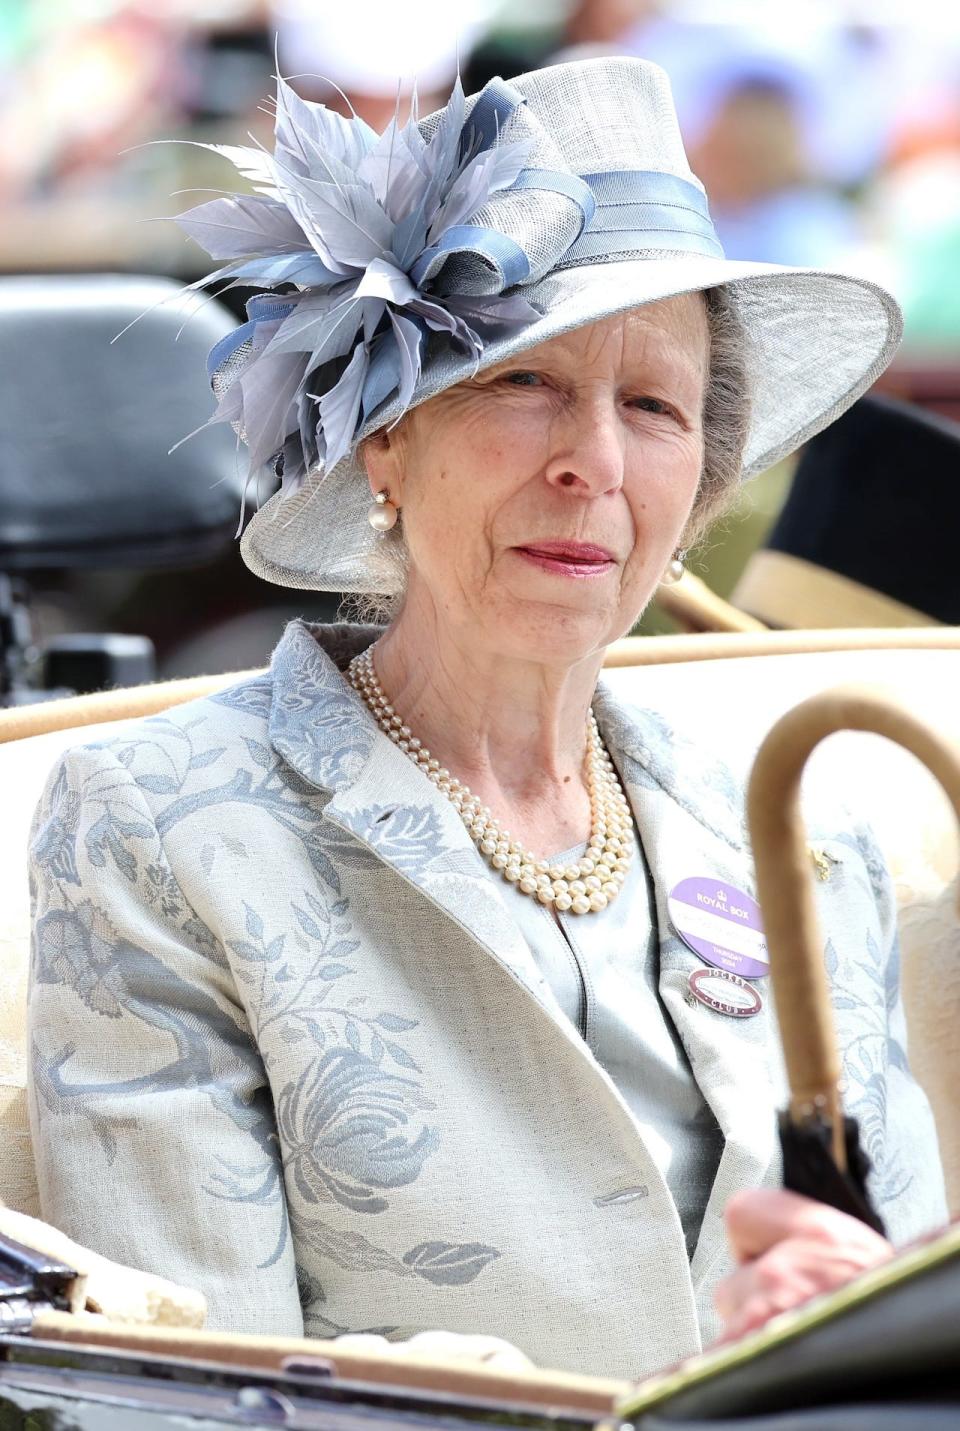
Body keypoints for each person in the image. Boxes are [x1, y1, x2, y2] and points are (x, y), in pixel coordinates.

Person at [27, 57, 946, 1380]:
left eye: (654, 407)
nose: (596, 464)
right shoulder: (160, 827)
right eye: (523, 385)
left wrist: (848, 1320)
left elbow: (911, 1341)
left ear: (701, 486)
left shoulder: (805, 833)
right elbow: (190, 1399)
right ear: (385, 442)